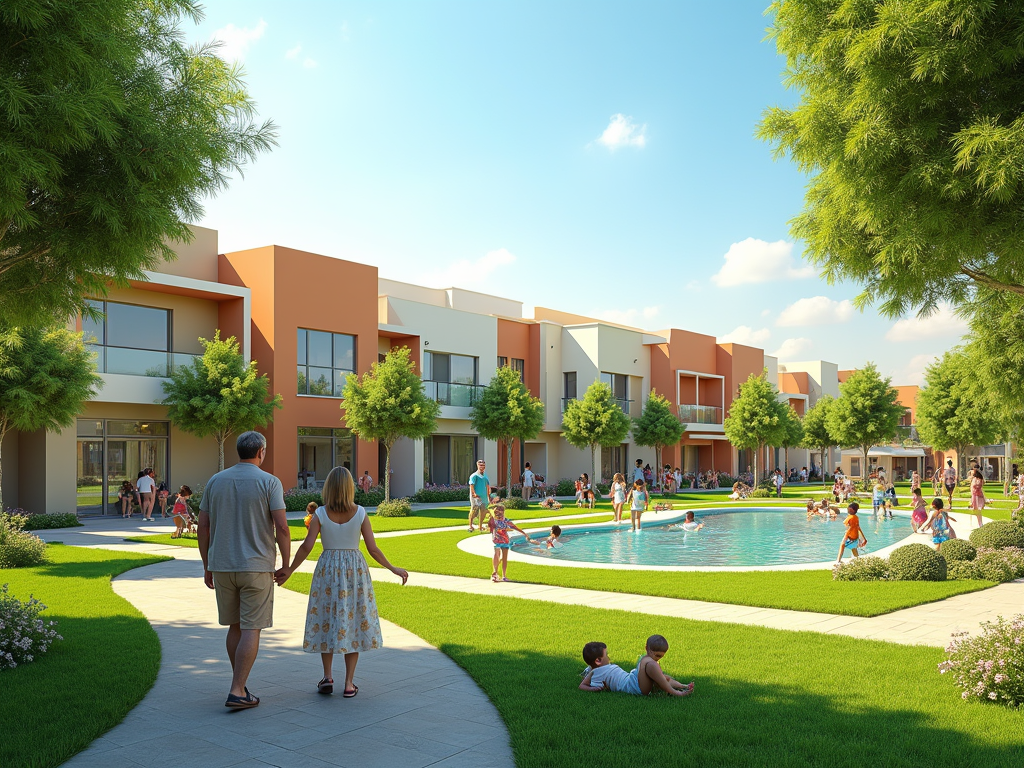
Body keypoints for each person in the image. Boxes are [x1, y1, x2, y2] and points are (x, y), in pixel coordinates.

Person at [276, 466, 407, 697]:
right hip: (354, 571)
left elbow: (307, 546)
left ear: (328, 488)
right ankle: (348, 684)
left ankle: (327, 677)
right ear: (349, 488)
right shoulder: (360, 513)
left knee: (326, 619)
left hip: (327, 569)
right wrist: (393, 568)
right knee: (353, 621)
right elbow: (372, 549)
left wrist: (290, 570)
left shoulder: (321, 514)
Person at [198, 431, 289, 710]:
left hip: (223, 565)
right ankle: (238, 689)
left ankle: (239, 685)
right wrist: (286, 564)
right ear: (261, 451)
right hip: (257, 567)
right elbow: (282, 527)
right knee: (252, 627)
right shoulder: (269, 482)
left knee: (235, 626)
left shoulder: (215, 481)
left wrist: (206, 565)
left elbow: (203, 526)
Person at [579, 637, 693, 697]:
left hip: (631, 679)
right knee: (648, 661)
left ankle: (683, 686)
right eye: (606, 655)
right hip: (631, 686)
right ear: (598, 661)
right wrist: (593, 689)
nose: (608, 657)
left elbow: (587, 670)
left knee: (663, 678)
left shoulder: (592, 669)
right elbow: (582, 686)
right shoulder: (595, 674)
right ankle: (677, 693)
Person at [488, 503, 532, 582]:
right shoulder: (493, 520)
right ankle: (495, 572)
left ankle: (504, 575)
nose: (500, 512)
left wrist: (524, 534)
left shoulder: (506, 520)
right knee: (496, 554)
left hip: (505, 540)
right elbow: (492, 529)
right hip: (496, 540)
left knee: (504, 558)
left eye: (502, 511)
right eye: (499, 511)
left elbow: (515, 527)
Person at [467, 459, 490, 532]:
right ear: (477, 465)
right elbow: (471, 485)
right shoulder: (474, 476)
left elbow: (487, 485)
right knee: (474, 510)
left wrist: (488, 495)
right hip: (476, 497)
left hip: (484, 497)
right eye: (480, 465)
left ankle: (480, 526)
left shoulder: (485, 476)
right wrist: (474, 494)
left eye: (483, 465)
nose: (482, 467)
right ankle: (470, 526)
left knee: (483, 511)